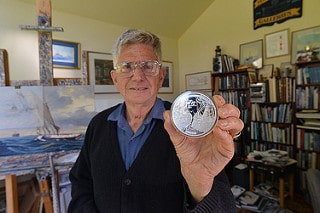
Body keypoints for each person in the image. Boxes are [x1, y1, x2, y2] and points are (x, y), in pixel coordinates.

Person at [68, 29, 244, 213]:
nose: (137, 76)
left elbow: (224, 208)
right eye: (127, 66)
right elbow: (81, 184)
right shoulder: (98, 124)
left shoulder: (189, 126)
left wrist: (201, 185)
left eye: (148, 66)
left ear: (161, 77)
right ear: (115, 78)